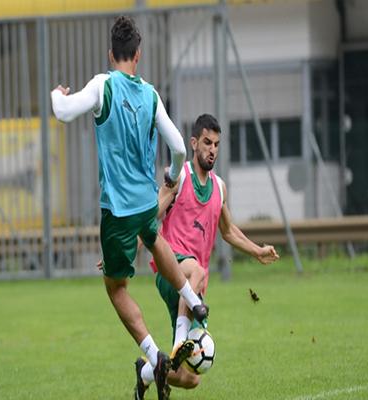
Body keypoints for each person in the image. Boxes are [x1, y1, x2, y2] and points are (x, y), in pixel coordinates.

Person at [50, 16, 208, 400]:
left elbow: (64, 112)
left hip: (117, 209)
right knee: (155, 241)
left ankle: (154, 354)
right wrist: (171, 175)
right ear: (138, 54)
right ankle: (193, 300)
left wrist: (57, 93)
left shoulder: (102, 85)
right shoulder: (150, 94)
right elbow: (180, 149)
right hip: (145, 202)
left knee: (116, 286)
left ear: (111, 54)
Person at [133, 114, 279, 399]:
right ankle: (176, 346)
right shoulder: (179, 175)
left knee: (190, 378)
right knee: (197, 269)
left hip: (194, 290)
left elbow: (229, 231)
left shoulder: (220, 188)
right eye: (207, 142)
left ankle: (146, 373)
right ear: (194, 143)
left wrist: (257, 250)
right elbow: (151, 216)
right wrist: (127, 249)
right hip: (169, 266)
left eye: (217, 144)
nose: (212, 149)